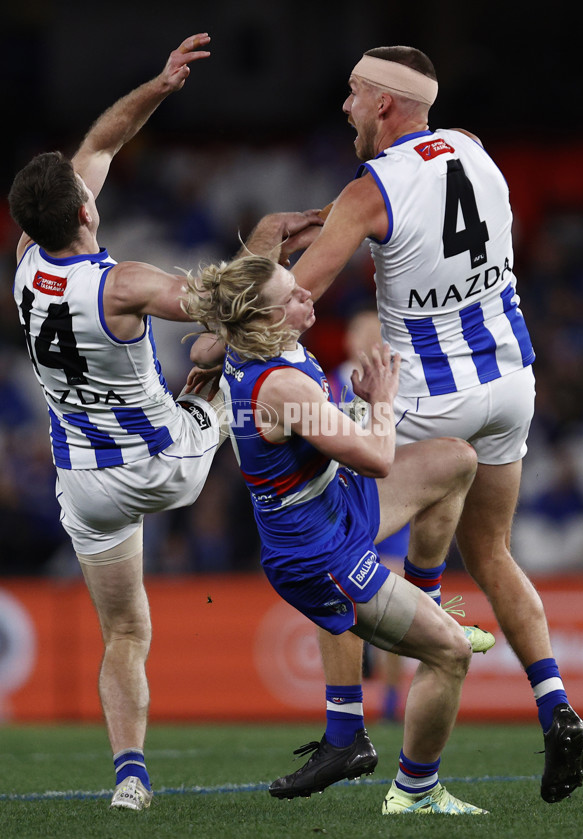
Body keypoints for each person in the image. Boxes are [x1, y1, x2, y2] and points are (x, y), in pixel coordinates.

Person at [243, 46, 583, 805]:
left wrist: (244, 282)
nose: (345, 107)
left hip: (426, 395)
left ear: (386, 107)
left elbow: (286, 300)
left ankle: (345, 732)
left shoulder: (371, 189)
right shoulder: (475, 149)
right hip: (508, 381)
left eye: (355, 95)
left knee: (328, 537)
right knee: (491, 551)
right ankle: (554, 698)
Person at [8, 33, 320, 812]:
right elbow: (228, 299)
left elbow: (101, 140)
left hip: (84, 484)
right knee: (236, 347)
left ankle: (130, 781)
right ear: (86, 209)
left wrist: (159, 86)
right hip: (168, 461)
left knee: (124, 630)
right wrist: (269, 243)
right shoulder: (126, 283)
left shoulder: (23, 257)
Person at [185, 253, 489, 815]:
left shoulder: (242, 342)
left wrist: (211, 353)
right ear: (267, 321)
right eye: (291, 296)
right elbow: (375, 457)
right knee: (449, 654)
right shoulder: (283, 390)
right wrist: (379, 401)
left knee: (456, 461)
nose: (306, 296)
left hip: (331, 504)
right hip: (318, 551)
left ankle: (420, 613)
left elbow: (206, 345)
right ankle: (416, 791)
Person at [328, 303, 410, 721]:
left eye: (374, 334)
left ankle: (393, 699)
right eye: (360, 333)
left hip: (384, 500)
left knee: (394, 604)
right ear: (348, 340)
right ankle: (348, 700)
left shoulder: (396, 385)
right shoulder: (321, 386)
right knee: (344, 604)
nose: (367, 341)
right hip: (340, 507)